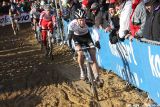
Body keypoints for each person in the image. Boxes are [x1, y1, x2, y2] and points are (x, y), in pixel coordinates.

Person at [67, 9, 103, 87]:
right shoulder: (72, 24)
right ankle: (82, 70)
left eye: (83, 20)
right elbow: (69, 37)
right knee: (80, 53)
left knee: (93, 56)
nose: (82, 22)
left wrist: (97, 41)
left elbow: (96, 31)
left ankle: (97, 77)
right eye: (80, 20)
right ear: (76, 20)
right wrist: (71, 47)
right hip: (76, 39)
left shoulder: (88, 22)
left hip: (87, 38)